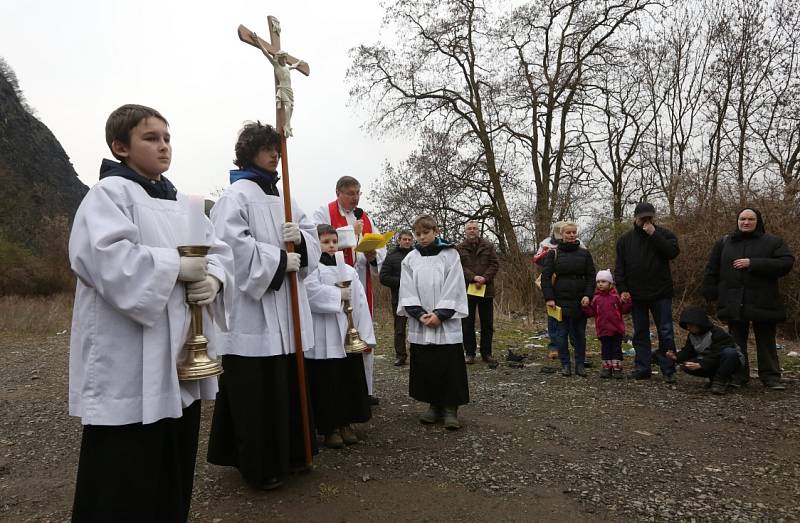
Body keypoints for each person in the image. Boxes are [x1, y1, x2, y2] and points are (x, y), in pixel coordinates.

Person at [68, 104, 234, 521]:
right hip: (126, 356)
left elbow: (218, 253)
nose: (163, 146)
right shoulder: (108, 195)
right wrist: (176, 267)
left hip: (177, 355)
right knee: (123, 475)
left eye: (167, 138)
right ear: (119, 147)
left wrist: (212, 279)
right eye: (151, 138)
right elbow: (101, 257)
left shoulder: (183, 203)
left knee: (171, 465)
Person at [207, 121, 320, 490]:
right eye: (268, 148)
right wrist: (276, 260)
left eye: (278, 149)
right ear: (249, 151)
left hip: (288, 311)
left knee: (288, 385)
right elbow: (229, 249)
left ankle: (294, 453)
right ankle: (256, 465)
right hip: (254, 313)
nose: (276, 155)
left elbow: (314, 244)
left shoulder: (287, 197)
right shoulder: (235, 196)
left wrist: (301, 243)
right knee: (257, 394)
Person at [702, 208, 795, 390]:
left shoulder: (772, 242)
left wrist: (754, 263)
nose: (746, 222)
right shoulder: (724, 242)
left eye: (750, 219)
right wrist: (710, 291)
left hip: (764, 300)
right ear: (737, 221)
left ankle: (771, 377)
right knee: (736, 341)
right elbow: (712, 268)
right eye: (742, 219)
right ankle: (738, 375)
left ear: (757, 221)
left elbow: (786, 263)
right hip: (733, 299)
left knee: (766, 340)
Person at [312, 176, 386, 404]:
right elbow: (319, 242)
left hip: (360, 281)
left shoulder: (364, 217)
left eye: (358, 193)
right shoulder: (323, 213)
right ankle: (341, 391)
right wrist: (350, 233)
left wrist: (374, 255)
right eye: (351, 193)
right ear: (338, 192)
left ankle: (365, 389)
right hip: (332, 281)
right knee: (339, 333)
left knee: (361, 332)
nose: (355, 198)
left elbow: (379, 247)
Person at [304, 224, 374, 448]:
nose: (331, 246)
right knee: (326, 382)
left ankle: (346, 423)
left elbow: (360, 302)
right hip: (322, 335)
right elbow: (309, 293)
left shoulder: (349, 271)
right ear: (317, 244)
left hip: (345, 334)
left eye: (334, 241)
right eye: (325, 242)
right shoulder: (312, 269)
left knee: (347, 380)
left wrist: (364, 335)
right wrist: (337, 295)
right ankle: (329, 428)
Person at [398, 215, 470, 430]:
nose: (422, 238)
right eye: (418, 234)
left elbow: (454, 285)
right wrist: (420, 314)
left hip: (445, 322)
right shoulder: (410, 258)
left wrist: (440, 314)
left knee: (448, 364)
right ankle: (433, 405)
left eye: (426, 233)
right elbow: (406, 288)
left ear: (436, 231)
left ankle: (450, 409)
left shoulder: (450, 255)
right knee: (427, 363)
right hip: (421, 321)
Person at [614, 202, 679, 382]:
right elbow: (619, 268)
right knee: (640, 332)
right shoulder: (625, 240)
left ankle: (668, 369)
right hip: (636, 295)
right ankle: (642, 367)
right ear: (635, 218)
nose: (646, 221)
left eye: (649, 217)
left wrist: (653, 234)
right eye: (643, 218)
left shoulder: (664, 235)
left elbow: (672, 252)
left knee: (665, 331)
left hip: (661, 293)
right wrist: (623, 289)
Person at [541, 221, 596, 377]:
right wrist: (549, 298)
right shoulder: (553, 253)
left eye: (574, 232)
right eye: (568, 232)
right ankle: (565, 365)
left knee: (579, 334)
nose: (571, 235)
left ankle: (580, 365)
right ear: (562, 235)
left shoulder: (585, 253)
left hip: (580, 300)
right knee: (561, 334)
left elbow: (592, 276)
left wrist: (588, 295)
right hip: (559, 301)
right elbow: (546, 278)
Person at [666, 306, 744, 395]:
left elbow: (717, 353)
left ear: (699, 323)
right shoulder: (692, 335)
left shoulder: (717, 333)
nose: (688, 328)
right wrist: (676, 356)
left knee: (729, 353)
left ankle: (721, 381)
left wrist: (701, 364)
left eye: (690, 325)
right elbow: (688, 351)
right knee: (687, 365)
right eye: (687, 325)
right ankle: (714, 378)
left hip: (732, 361)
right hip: (711, 361)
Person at [457, 220, 500, 366]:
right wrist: (473, 277)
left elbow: (495, 264)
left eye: (475, 228)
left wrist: (484, 278)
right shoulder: (459, 248)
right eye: (469, 228)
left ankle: (486, 353)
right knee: (467, 323)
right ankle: (469, 353)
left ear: (478, 230)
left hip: (486, 290)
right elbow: (458, 267)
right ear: (465, 231)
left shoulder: (488, 246)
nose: (472, 231)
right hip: (467, 290)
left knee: (487, 323)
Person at [582, 270, 632, 379]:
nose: (600, 284)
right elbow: (591, 312)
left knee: (616, 349)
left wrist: (627, 301)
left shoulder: (616, 297)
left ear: (610, 283)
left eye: (603, 281)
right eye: (598, 282)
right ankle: (606, 368)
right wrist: (585, 307)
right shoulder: (595, 298)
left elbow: (624, 309)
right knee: (606, 349)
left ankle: (617, 369)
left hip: (616, 329)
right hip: (603, 329)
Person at [379, 230, 414, 366]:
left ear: (412, 241)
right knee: (399, 328)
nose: (406, 241)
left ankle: (416, 353)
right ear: (399, 240)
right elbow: (383, 277)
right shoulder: (391, 256)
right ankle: (400, 355)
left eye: (409, 239)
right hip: (399, 297)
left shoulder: (417, 254)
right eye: (404, 239)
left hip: (417, 297)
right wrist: (402, 282)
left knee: (416, 326)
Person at [534, 221, 567, 360]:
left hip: (571, 284)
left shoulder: (576, 242)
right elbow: (537, 259)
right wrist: (548, 254)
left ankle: (576, 346)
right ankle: (554, 346)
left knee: (573, 317)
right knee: (553, 315)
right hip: (552, 282)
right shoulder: (546, 243)